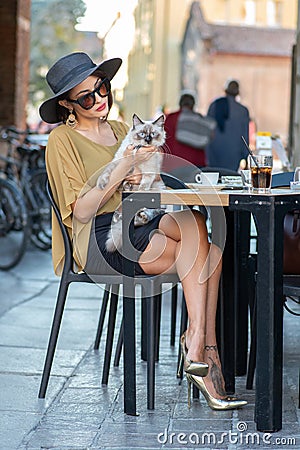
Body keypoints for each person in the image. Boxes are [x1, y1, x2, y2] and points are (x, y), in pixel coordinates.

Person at [39, 51, 246, 410]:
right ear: (67, 104)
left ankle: (197, 344)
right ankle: (204, 356)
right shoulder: (62, 141)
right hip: (100, 238)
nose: (100, 99)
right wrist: (124, 168)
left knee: (197, 224)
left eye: (102, 88)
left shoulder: (121, 129)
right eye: (87, 97)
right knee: (206, 252)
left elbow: (146, 183)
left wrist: (143, 175)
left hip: (138, 216)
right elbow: (84, 210)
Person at [206, 79, 250, 171]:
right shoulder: (243, 111)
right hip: (233, 153)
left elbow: (207, 130)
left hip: (214, 150)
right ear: (238, 92)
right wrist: (246, 157)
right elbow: (245, 136)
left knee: (214, 179)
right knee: (229, 179)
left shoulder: (214, 105)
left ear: (225, 90)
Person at [163, 92, 208, 173]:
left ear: (180, 103)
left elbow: (165, 141)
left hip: (174, 163)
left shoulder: (170, 117)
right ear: (193, 104)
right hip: (195, 164)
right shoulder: (199, 119)